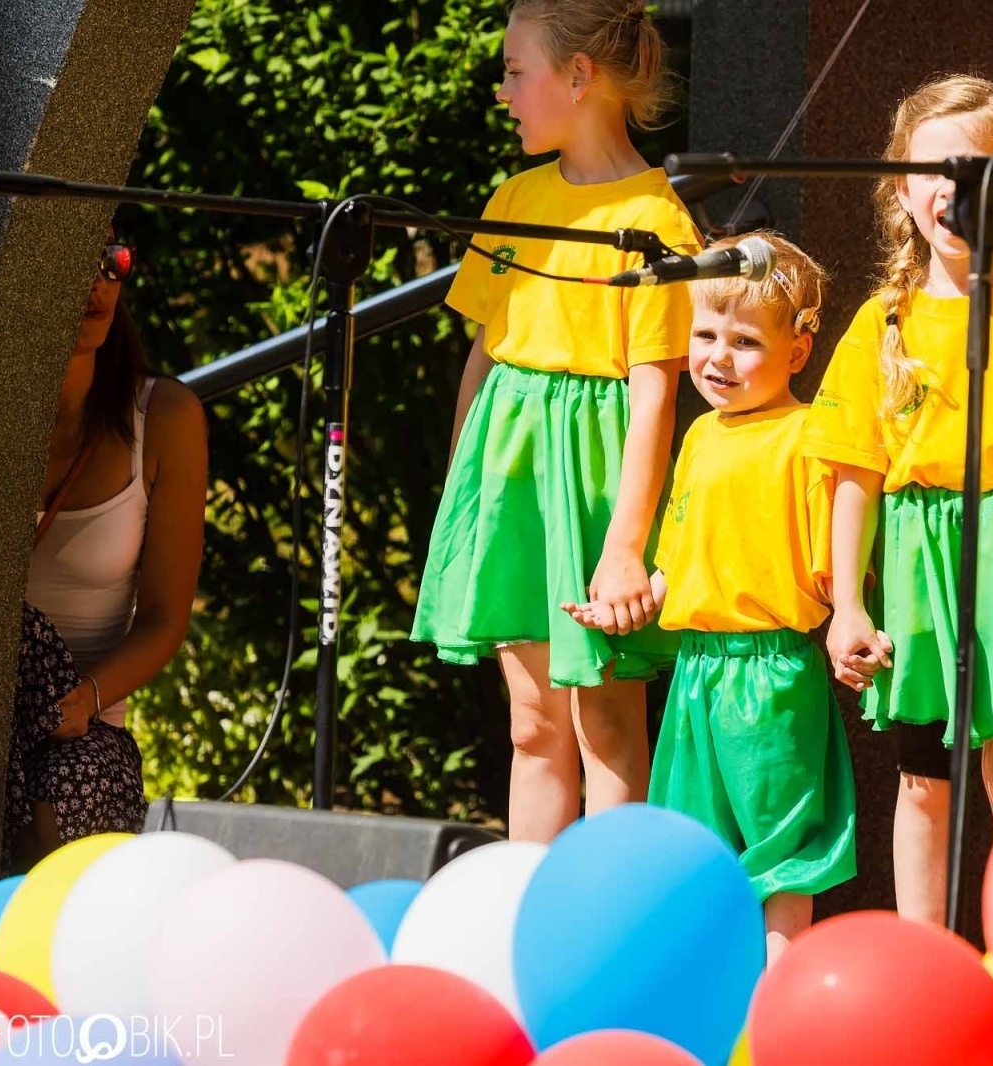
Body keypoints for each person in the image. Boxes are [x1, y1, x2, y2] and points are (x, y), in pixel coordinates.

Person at [802, 74, 993, 925]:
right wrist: (847, 603)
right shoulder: (882, 323)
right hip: (920, 561)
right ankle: (925, 956)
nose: (950, 188)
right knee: (923, 781)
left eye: (974, 169)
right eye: (930, 170)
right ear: (901, 190)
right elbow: (854, 474)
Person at [410, 0, 699, 841]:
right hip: (511, 485)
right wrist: (462, 500)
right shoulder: (514, 197)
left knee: (606, 726)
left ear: (578, 77)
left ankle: (608, 905)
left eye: (514, 71)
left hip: (595, 491)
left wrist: (624, 546)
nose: (501, 93)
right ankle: (526, 901)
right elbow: (485, 354)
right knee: (532, 726)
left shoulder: (656, 220)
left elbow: (654, 395)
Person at [564, 233, 855, 962]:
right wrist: (631, 603)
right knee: (695, 842)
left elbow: (831, 566)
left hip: (773, 674)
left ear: (797, 351)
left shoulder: (808, 435)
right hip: (697, 669)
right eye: (705, 336)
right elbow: (678, 560)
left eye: (745, 341)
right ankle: (715, 990)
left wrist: (856, 615)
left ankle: (774, 995)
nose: (718, 358)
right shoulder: (697, 435)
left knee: (781, 848)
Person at [18, 235, 209, 866]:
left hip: (81, 722)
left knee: (67, 787)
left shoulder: (166, 417)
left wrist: (86, 699)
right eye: (77, 255)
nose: (99, 280)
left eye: (113, 259)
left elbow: (164, 619)